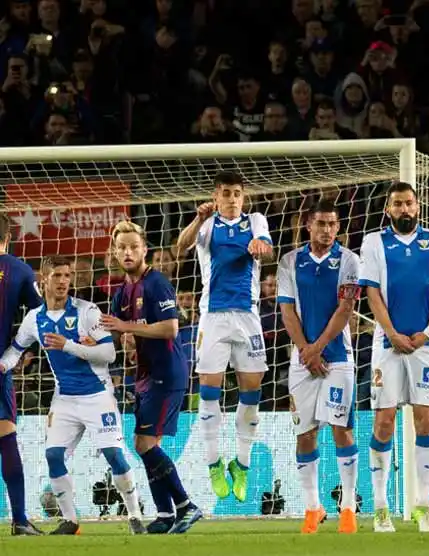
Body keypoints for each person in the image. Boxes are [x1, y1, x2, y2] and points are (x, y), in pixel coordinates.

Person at [0, 257, 144, 535]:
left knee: (114, 455)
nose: (63, 281)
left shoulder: (87, 312)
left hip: (97, 396)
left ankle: (135, 515)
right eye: (57, 275)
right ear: (44, 280)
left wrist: (70, 346)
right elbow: (16, 349)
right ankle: (70, 521)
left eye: (67, 275)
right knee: (53, 456)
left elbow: (109, 354)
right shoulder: (34, 319)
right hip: (64, 399)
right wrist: (3, 364)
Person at [360, 182, 429, 533]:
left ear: (418, 207)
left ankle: (423, 505)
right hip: (387, 345)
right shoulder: (373, 242)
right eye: (397, 204)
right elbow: (370, 292)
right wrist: (392, 334)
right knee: (384, 422)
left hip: (426, 345)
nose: (404, 209)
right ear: (388, 210)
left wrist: (428, 332)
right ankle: (381, 506)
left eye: (409, 203)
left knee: (426, 423)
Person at [175, 170, 274, 502]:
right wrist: (196, 218)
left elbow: (267, 249)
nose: (232, 199)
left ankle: (241, 466)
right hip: (213, 317)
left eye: (236, 193)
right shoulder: (206, 225)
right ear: (215, 197)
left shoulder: (256, 221)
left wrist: (260, 246)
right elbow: (180, 249)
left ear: (243, 197)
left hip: (248, 316)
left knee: (251, 395)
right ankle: (213, 462)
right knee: (209, 391)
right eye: (226, 193)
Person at [101, 221, 201, 534]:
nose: (128, 252)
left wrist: (129, 328)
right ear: (115, 254)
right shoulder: (121, 293)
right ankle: (164, 515)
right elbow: (115, 333)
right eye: (122, 248)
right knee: (147, 444)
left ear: (145, 250)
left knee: (144, 443)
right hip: (144, 376)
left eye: (134, 246)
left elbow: (170, 328)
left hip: (167, 372)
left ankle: (186, 505)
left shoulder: (156, 283)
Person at [277, 200, 360, 534]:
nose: (327, 230)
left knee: (341, 429)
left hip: (338, 358)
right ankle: (313, 507)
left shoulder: (350, 261)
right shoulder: (289, 261)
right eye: (321, 224)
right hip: (302, 361)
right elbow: (286, 311)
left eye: (333, 224)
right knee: (305, 434)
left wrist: (317, 349)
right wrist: (305, 350)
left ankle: (349, 506)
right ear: (307, 225)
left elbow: (345, 309)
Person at [0, 213, 43, 536]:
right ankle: (19, 519)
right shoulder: (20, 270)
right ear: (9, 237)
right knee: (6, 438)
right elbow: (41, 317)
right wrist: (21, 352)